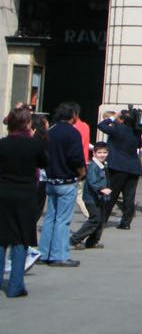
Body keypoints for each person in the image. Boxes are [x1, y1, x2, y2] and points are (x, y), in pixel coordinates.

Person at [0, 106, 48, 296]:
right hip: (25, 194)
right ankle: (15, 285)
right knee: (21, 239)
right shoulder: (34, 145)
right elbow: (44, 163)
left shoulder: (2, 144)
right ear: (27, 124)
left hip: (3, 193)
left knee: (1, 238)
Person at [38, 101, 85, 267]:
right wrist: (81, 172)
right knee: (62, 220)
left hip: (51, 179)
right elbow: (76, 157)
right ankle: (59, 255)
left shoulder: (50, 131)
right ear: (73, 115)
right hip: (66, 180)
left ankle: (43, 253)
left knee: (50, 217)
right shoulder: (72, 133)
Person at [97, 108, 142, 229]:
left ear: (122, 119)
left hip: (118, 166)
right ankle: (126, 222)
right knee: (129, 196)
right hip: (133, 167)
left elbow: (101, 125)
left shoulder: (117, 128)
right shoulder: (136, 132)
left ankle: (102, 220)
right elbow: (140, 143)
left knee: (112, 194)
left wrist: (113, 117)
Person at [70, 141, 111, 250]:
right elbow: (92, 182)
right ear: (94, 153)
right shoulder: (93, 166)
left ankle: (92, 242)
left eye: (104, 152)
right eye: (99, 152)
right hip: (92, 199)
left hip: (101, 198)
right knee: (95, 219)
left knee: (101, 220)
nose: (102, 155)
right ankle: (75, 239)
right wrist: (102, 189)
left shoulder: (103, 164)